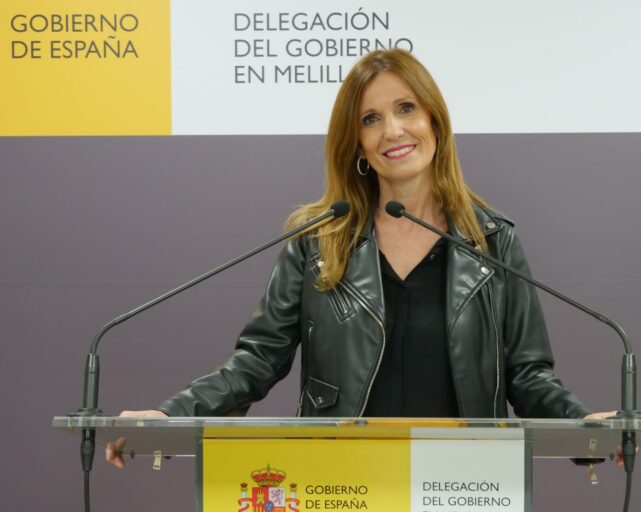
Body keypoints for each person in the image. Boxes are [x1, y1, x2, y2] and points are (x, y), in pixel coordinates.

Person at [106, 49, 615, 468]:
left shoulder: (492, 241)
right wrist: (169, 416)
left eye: (406, 109)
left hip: (465, 481)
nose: (393, 130)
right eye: (371, 119)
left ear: (434, 119)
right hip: (341, 480)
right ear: (358, 145)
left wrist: (583, 425)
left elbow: (528, 375)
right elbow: (256, 362)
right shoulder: (317, 240)